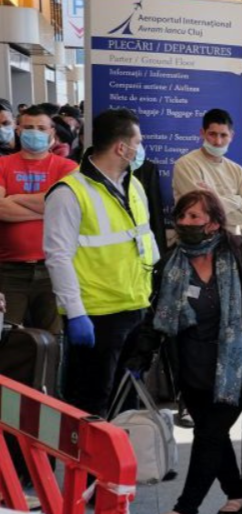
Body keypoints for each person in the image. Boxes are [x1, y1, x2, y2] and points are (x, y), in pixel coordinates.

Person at [147, 190, 242, 514]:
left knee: (208, 435)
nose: (185, 222)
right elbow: (157, 315)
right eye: (181, 216)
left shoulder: (241, 250)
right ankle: (237, 494)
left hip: (239, 366)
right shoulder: (170, 263)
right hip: (193, 370)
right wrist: (140, 355)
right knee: (214, 434)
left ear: (213, 223)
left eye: (194, 216)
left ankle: (184, 510)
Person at [45, 108, 159, 416]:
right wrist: (75, 313)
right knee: (91, 404)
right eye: (138, 142)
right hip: (96, 315)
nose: (140, 148)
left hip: (135, 307)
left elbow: (144, 241)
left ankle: (122, 450)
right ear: (122, 147)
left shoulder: (133, 185)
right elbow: (58, 258)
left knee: (127, 402)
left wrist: (151, 298)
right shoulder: (69, 192)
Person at [0, 105, 77, 334]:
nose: (35, 132)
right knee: (8, 338)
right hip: (8, 270)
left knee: (53, 340)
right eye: (29, 127)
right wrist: (49, 207)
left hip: (54, 268)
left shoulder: (68, 167)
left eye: (41, 128)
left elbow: (67, 207)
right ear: (18, 130)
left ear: (52, 132)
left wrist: (14, 198)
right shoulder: (2, 164)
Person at [172, 109, 242, 240]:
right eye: (212, 134)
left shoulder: (239, 172)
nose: (218, 141)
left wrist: (214, 203)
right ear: (202, 133)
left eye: (223, 135)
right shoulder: (185, 165)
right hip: (196, 244)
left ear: (231, 136)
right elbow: (200, 210)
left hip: (231, 245)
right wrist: (237, 200)